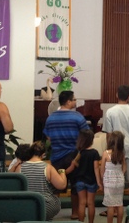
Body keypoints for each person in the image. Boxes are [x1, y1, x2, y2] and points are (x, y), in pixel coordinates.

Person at [43, 90, 89, 219]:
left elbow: (48, 137)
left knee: (56, 185)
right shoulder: (78, 117)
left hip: (57, 156)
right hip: (74, 156)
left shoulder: (51, 117)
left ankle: (53, 212)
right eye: (74, 100)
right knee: (76, 185)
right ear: (68, 102)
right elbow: (87, 135)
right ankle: (75, 213)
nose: (75, 102)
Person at [102, 85, 129, 205]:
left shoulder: (110, 111)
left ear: (116, 95)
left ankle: (114, 205)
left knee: (115, 177)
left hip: (115, 147)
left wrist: (109, 148)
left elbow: (108, 133)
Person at [15, 141, 67, 221]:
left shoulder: (20, 167)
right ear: (43, 155)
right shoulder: (48, 167)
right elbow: (61, 185)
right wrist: (62, 172)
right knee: (55, 199)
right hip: (45, 206)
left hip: (26, 206)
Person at [66, 129, 102, 223]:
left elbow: (73, 165)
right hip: (91, 181)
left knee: (81, 203)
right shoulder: (94, 153)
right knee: (90, 203)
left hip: (79, 181)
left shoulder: (80, 153)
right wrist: (99, 182)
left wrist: (64, 172)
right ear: (91, 140)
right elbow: (96, 168)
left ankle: (80, 221)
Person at [100, 131, 126, 223]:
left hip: (108, 181)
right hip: (119, 180)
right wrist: (120, 175)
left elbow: (102, 169)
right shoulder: (121, 154)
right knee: (119, 203)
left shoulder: (106, 153)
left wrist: (103, 180)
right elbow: (124, 168)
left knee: (110, 205)